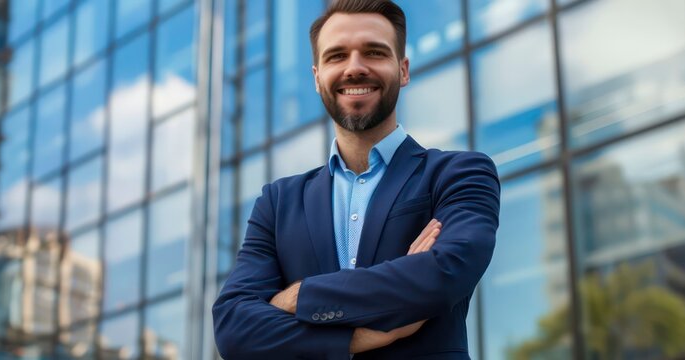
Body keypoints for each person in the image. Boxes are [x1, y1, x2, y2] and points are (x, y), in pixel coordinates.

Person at [212, 0, 500, 358]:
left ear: (403, 69)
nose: (354, 68)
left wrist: (299, 296)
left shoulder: (459, 175)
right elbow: (233, 326)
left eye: (374, 52)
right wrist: (353, 339)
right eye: (337, 56)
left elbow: (443, 274)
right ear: (318, 79)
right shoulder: (277, 203)